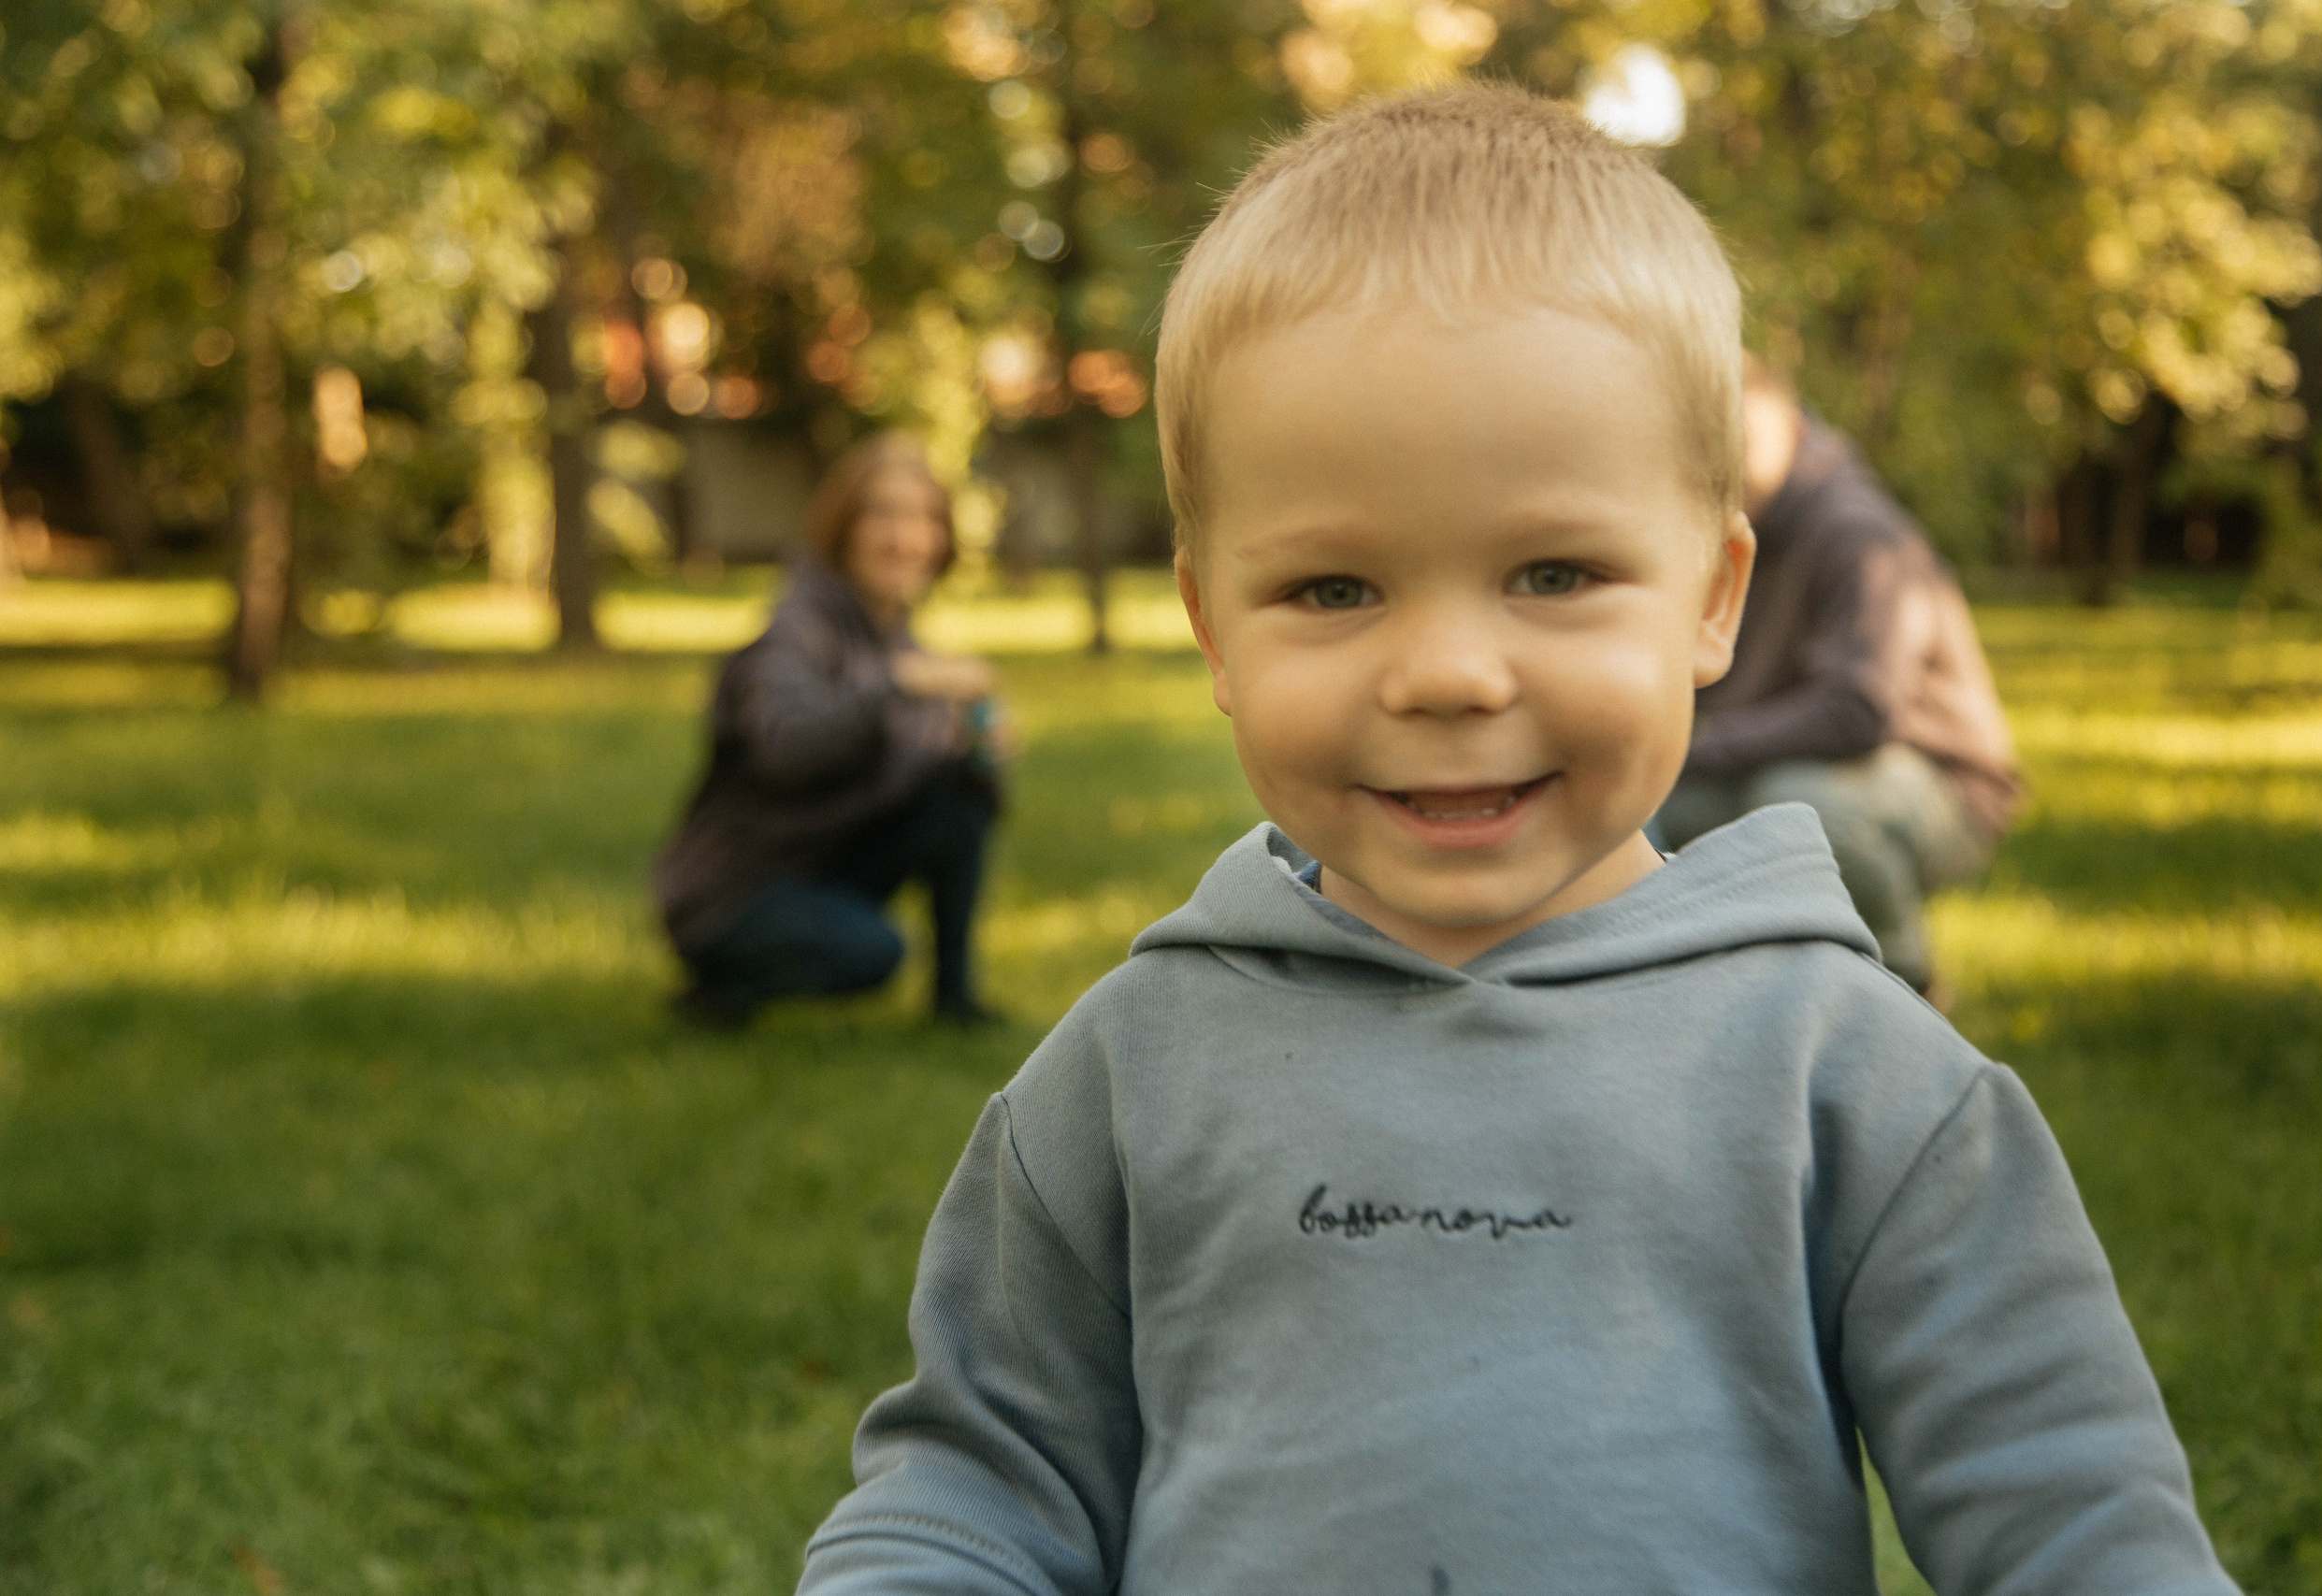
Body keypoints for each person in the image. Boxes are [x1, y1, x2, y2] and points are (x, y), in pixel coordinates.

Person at [794, 86, 2235, 1593]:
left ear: (1713, 597)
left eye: (1552, 571)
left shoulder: (1854, 1078)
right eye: (1335, 589)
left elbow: (2078, 1520)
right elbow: (975, 1481)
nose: (1448, 673)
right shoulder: (1124, 1075)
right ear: (1212, 626)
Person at [1650, 362, 2020, 996]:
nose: (1722, 468)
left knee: (1805, 810)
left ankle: (1908, 986)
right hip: (1781, 765)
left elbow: (1860, 711)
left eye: (1739, 443)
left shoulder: (1860, 534)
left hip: (1938, 783)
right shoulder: (1725, 529)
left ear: (1791, 426)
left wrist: (1702, 745)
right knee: (1643, 803)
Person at [654, 434, 1003, 1029]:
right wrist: (901, 683)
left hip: (826, 862)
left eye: (924, 518)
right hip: (737, 889)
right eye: (883, 515)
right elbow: (786, 751)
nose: (906, 538)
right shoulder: (795, 632)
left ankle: (956, 1004)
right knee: (875, 953)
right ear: (843, 529)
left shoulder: (897, 642)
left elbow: (950, 799)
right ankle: (721, 982)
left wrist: (980, 749)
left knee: (955, 806)